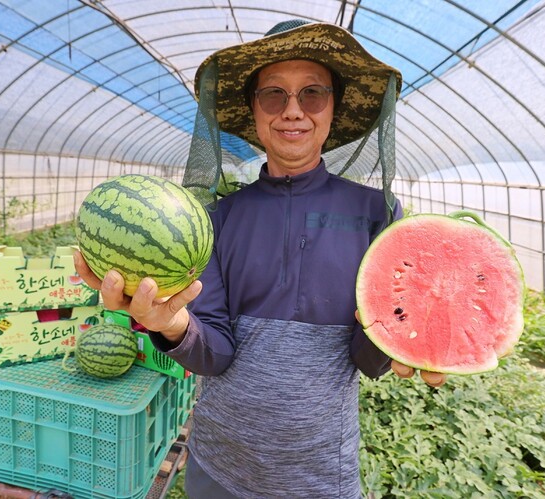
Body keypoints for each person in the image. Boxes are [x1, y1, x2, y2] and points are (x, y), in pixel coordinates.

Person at [74, 19, 446, 498]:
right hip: (218, 466)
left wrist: (406, 336)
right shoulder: (218, 218)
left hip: (321, 474)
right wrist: (170, 326)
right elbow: (215, 353)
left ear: (333, 107)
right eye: (273, 94)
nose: (293, 110)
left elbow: (366, 360)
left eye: (312, 93)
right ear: (253, 110)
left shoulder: (376, 213)